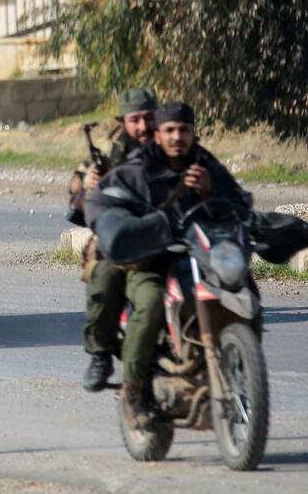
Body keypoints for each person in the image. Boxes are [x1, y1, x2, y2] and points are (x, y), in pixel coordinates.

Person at [84, 101, 243, 429]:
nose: (177, 137)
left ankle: (240, 365)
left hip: (195, 257)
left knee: (239, 288)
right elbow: (99, 203)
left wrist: (211, 192)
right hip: (147, 261)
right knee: (152, 300)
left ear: (193, 132)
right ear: (158, 134)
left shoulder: (206, 165)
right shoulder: (136, 169)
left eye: (184, 130)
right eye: (170, 130)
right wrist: (120, 228)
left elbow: (241, 205)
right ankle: (134, 391)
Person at [74, 87, 158, 392]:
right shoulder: (108, 154)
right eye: (135, 120)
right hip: (120, 238)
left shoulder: (174, 142)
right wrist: (88, 187)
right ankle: (100, 354)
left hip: (168, 232)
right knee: (105, 278)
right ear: (124, 122)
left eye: (149, 118)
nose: (143, 126)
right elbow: (76, 202)